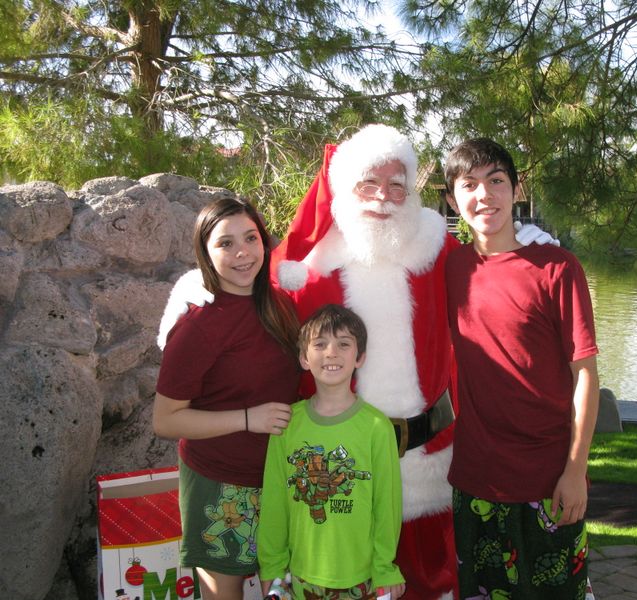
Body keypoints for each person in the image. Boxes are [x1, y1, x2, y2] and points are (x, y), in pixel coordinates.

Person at [158, 124, 557, 599]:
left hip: (428, 457)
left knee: (432, 580)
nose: (383, 197)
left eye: (396, 184)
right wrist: (193, 288)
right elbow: (247, 279)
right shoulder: (310, 264)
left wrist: (520, 243)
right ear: (346, 187)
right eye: (369, 183)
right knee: (337, 578)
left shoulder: (437, 248)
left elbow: (489, 272)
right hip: (336, 467)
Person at [443, 138, 600, 599]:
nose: (484, 195)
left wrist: (575, 471)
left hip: (547, 479)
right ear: (453, 199)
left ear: (516, 190)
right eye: (469, 185)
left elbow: (585, 375)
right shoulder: (449, 269)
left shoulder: (557, 267)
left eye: (496, 181)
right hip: (475, 479)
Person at [153, 197, 301, 600]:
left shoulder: (280, 306)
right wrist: (247, 418)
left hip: (279, 479)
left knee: (285, 590)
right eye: (225, 243)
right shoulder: (198, 325)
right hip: (221, 485)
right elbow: (165, 420)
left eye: (251, 238)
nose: (242, 252)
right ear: (205, 252)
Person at [258, 303, 405, 600]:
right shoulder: (287, 425)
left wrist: (385, 568)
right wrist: (272, 567)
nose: (331, 353)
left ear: (359, 357)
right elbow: (274, 502)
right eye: (320, 344)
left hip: (362, 579)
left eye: (343, 344)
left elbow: (387, 507)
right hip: (301, 580)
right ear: (303, 357)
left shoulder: (377, 427)